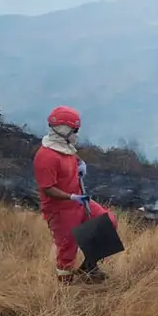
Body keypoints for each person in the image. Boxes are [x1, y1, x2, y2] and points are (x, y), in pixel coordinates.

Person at [32, 105, 118, 283]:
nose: (76, 133)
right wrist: (70, 197)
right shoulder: (46, 157)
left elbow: (72, 157)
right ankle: (65, 289)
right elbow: (47, 188)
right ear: (62, 130)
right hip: (60, 209)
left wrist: (81, 163)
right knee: (67, 249)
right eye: (74, 130)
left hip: (79, 201)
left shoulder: (65, 147)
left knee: (107, 222)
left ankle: (89, 268)